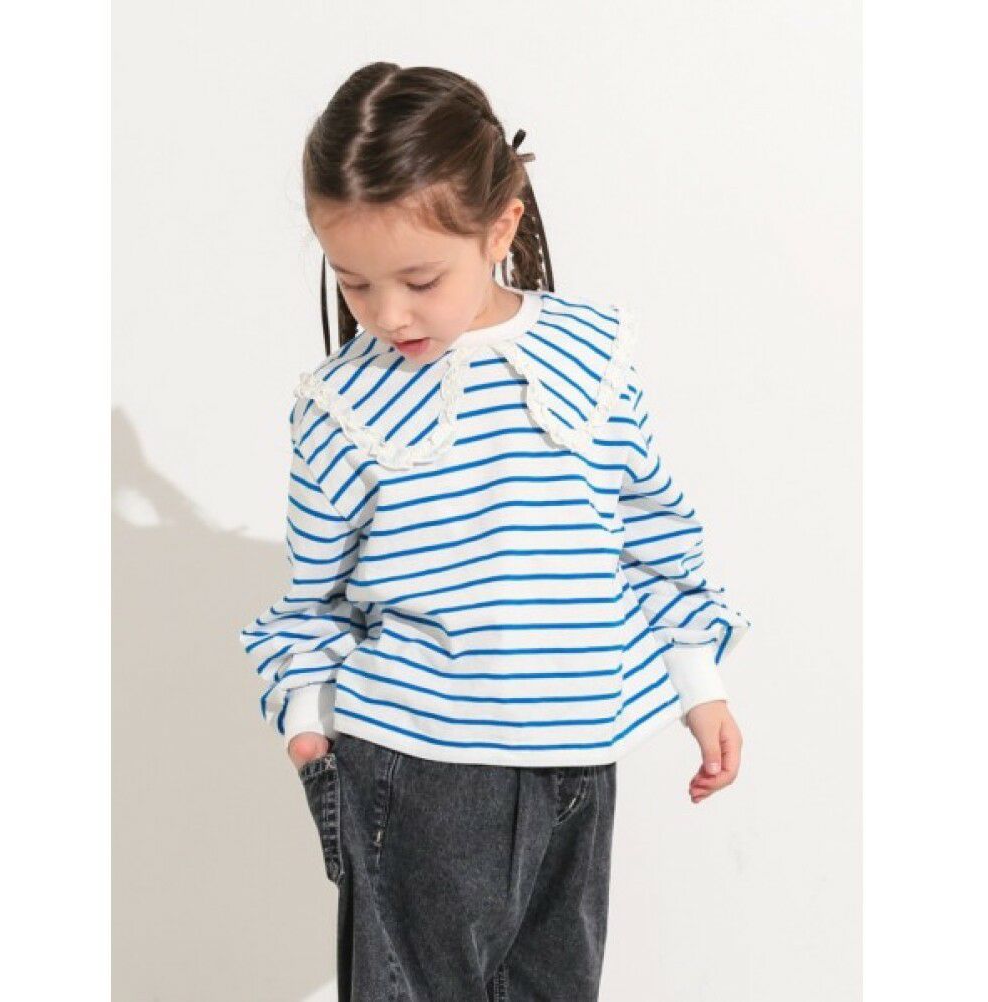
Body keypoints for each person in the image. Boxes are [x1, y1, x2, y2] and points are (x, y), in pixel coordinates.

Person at [238, 61, 752, 1002]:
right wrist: (310, 725)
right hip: (418, 773)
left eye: (419, 279)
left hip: (578, 759)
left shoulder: (592, 356)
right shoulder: (342, 406)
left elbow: (649, 537)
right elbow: (316, 596)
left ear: (500, 228)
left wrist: (700, 686)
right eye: (355, 285)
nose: (387, 314)